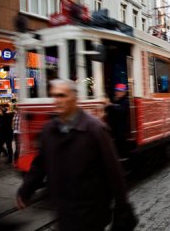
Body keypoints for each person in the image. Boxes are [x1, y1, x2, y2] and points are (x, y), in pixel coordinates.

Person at [16, 79, 138, 231]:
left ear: (74, 98)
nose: (57, 100)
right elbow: (40, 163)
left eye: (62, 96)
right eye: (54, 96)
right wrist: (26, 189)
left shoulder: (95, 129)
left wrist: (122, 207)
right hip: (64, 212)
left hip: (91, 214)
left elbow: (113, 171)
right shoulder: (49, 130)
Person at [105, 83, 131, 157]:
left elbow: (121, 110)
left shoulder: (126, 101)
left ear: (124, 92)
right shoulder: (115, 100)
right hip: (114, 126)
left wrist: (111, 105)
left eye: (120, 91)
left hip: (122, 126)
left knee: (120, 141)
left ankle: (122, 156)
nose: (118, 93)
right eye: (117, 91)